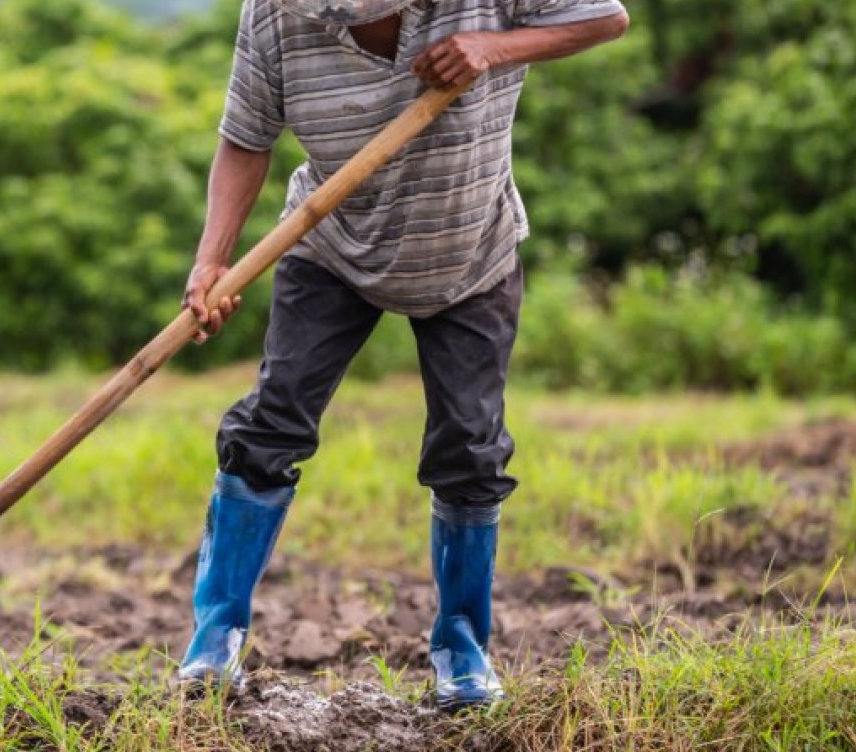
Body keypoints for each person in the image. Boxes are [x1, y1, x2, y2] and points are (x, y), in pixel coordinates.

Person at [176, 0, 629, 711]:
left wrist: (493, 47)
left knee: (471, 449)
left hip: (469, 251)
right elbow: (245, 138)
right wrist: (212, 262)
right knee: (271, 425)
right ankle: (215, 638)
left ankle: (462, 648)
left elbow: (607, 18)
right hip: (332, 244)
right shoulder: (273, 15)